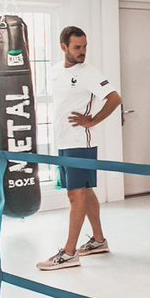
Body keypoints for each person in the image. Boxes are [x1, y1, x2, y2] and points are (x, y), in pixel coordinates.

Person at [38, 26, 121, 271]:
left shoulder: (89, 73)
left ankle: (69, 252)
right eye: (77, 47)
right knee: (84, 192)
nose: (82, 52)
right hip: (64, 142)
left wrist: (92, 120)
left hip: (80, 143)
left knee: (76, 195)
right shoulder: (55, 71)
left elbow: (115, 98)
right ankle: (98, 240)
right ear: (63, 47)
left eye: (84, 47)